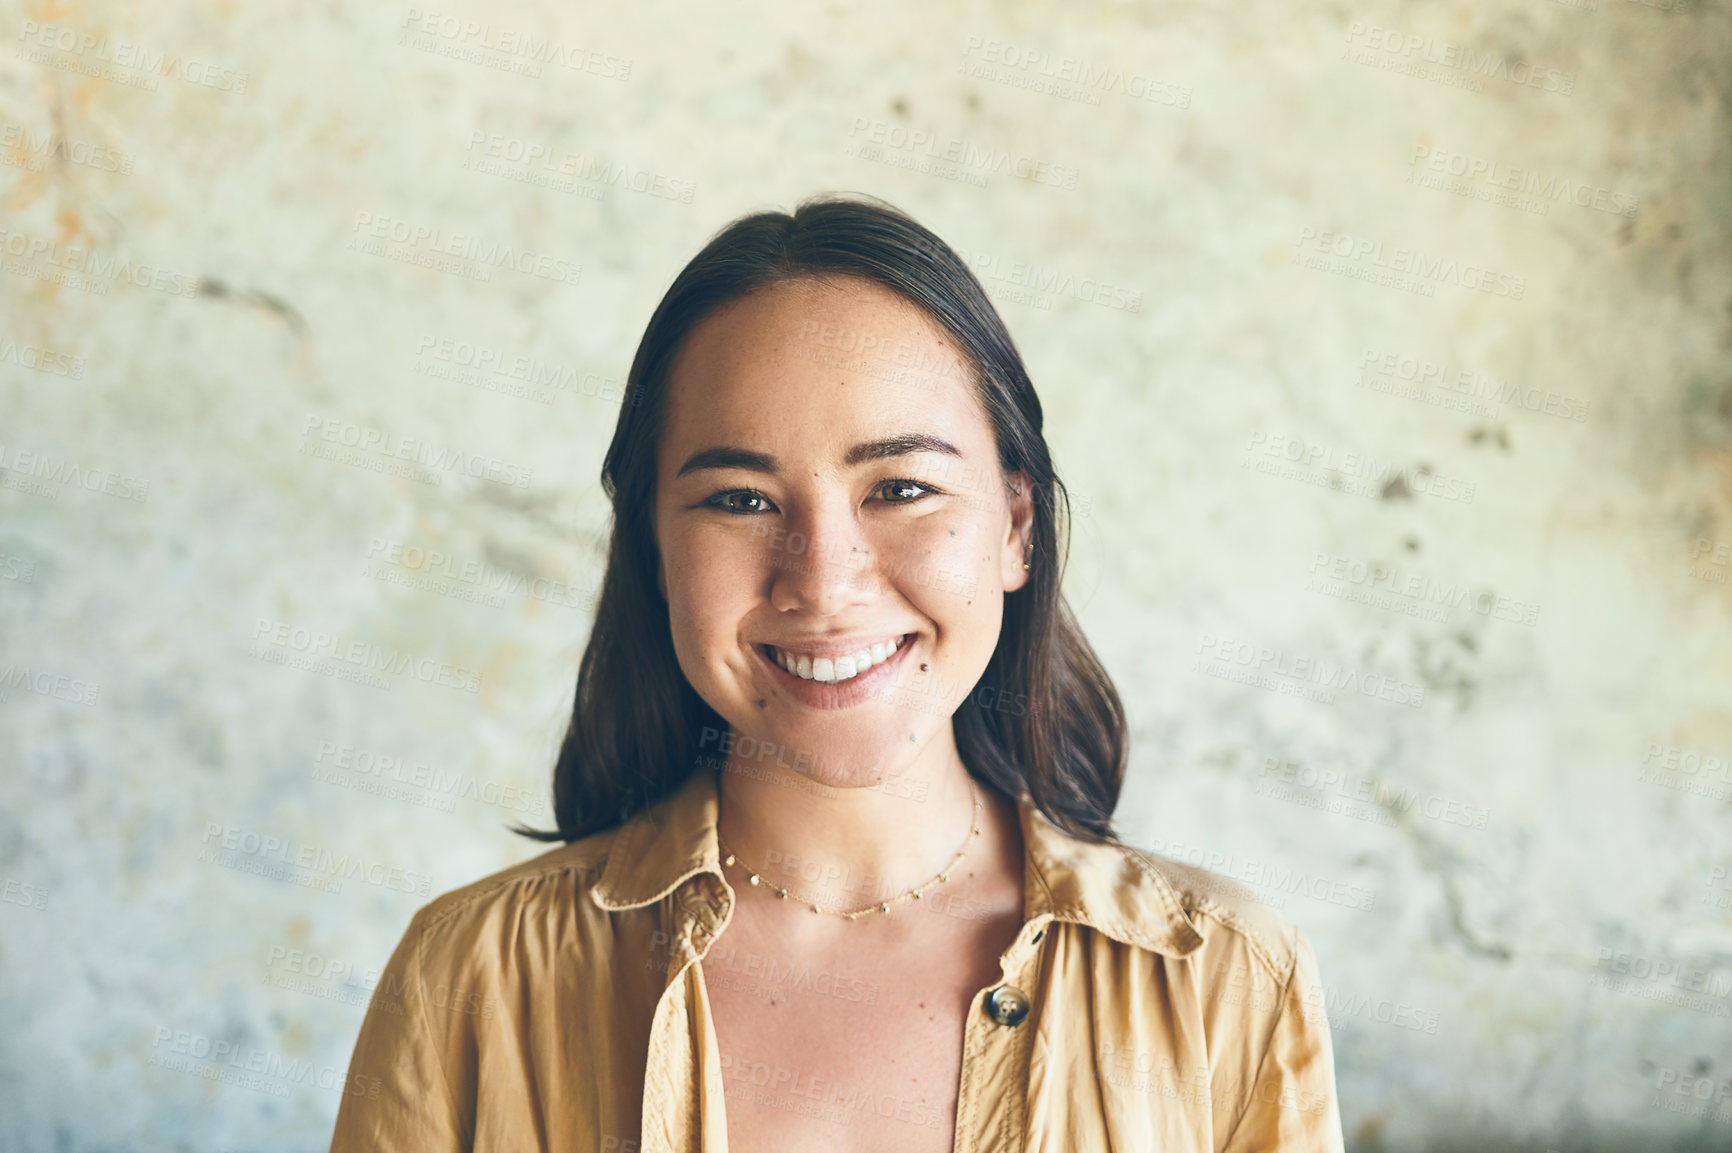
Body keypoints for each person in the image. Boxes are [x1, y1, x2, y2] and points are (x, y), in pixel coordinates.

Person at [329, 193, 1346, 1152]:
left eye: (899, 486)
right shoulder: (470, 978)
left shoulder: (1222, 978)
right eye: (739, 498)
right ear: (651, 549)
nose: (822, 582)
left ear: (1016, 526)